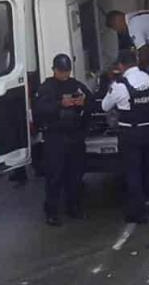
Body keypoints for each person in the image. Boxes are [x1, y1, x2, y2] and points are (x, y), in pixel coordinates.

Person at [102, 49, 149, 223]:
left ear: (120, 66)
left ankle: (138, 212)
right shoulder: (148, 78)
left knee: (133, 172)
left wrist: (111, 84)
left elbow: (105, 107)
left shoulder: (120, 85)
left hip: (130, 133)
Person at [33, 54, 92, 226]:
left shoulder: (76, 85)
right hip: (55, 138)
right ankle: (52, 211)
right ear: (54, 70)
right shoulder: (46, 88)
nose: (64, 75)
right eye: (61, 71)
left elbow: (91, 102)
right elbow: (39, 110)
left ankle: (73, 207)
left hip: (74, 136)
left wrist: (83, 102)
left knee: (75, 175)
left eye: (67, 71)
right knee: (54, 176)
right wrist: (60, 104)